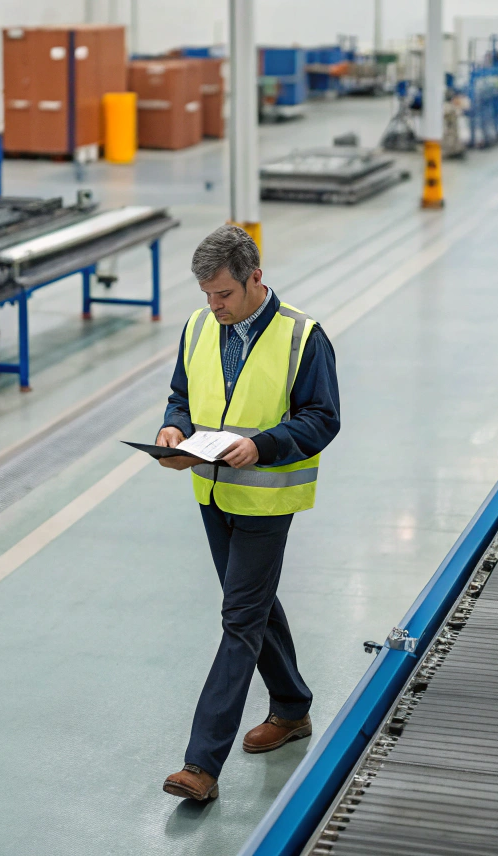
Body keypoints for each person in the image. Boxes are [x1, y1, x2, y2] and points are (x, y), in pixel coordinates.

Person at [159, 224, 341, 802]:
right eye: (206, 295)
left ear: (255, 279)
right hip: (212, 493)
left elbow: (322, 417)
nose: (213, 306)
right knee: (254, 603)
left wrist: (264, 444)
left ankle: (201, 764)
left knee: (239, 619)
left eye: (224, 295)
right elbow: (181, 395)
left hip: (265, 497)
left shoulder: (302, 337)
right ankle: (291, 707)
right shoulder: (198, 326)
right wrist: (174, 430)